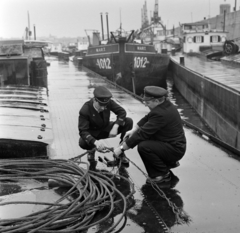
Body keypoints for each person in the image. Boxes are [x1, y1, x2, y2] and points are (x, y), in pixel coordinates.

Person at [113, 86, 186, 184]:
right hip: (173, 143)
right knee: (147, 139)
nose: (145, 104)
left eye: (147, 102)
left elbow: (142, 134)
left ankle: (162, 174)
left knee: (144, 147)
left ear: (156, 101)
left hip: (175, 149)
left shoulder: (161, 114)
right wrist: (134, 130)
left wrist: (121, 148)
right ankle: (166, 163)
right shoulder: (165, 105)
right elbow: (148, 117)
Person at [78, 86, 133, 164]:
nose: (103, 108)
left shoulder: (108, 102)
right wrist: (95, 142)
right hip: (93, 133)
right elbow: (83, 131)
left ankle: (121, 150)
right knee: (82, 142)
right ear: (95, 100)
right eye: (101, 105)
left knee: (128, 121)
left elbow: (122, 112)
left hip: (106, 128)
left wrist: (116, 126)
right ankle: (91, 150)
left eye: (105, 106)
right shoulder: (85, 110)